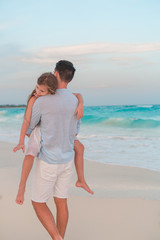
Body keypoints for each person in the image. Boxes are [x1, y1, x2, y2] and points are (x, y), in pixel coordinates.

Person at [13, 61, 92, 239]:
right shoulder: (74, 100)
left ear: (55, 74)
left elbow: (29, 128)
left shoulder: (42, 101)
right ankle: (60, 237)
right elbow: (75, 132)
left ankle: (57, 237)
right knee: (61, 202)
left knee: (38, 203)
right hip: (66, 161)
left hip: (49, 161)